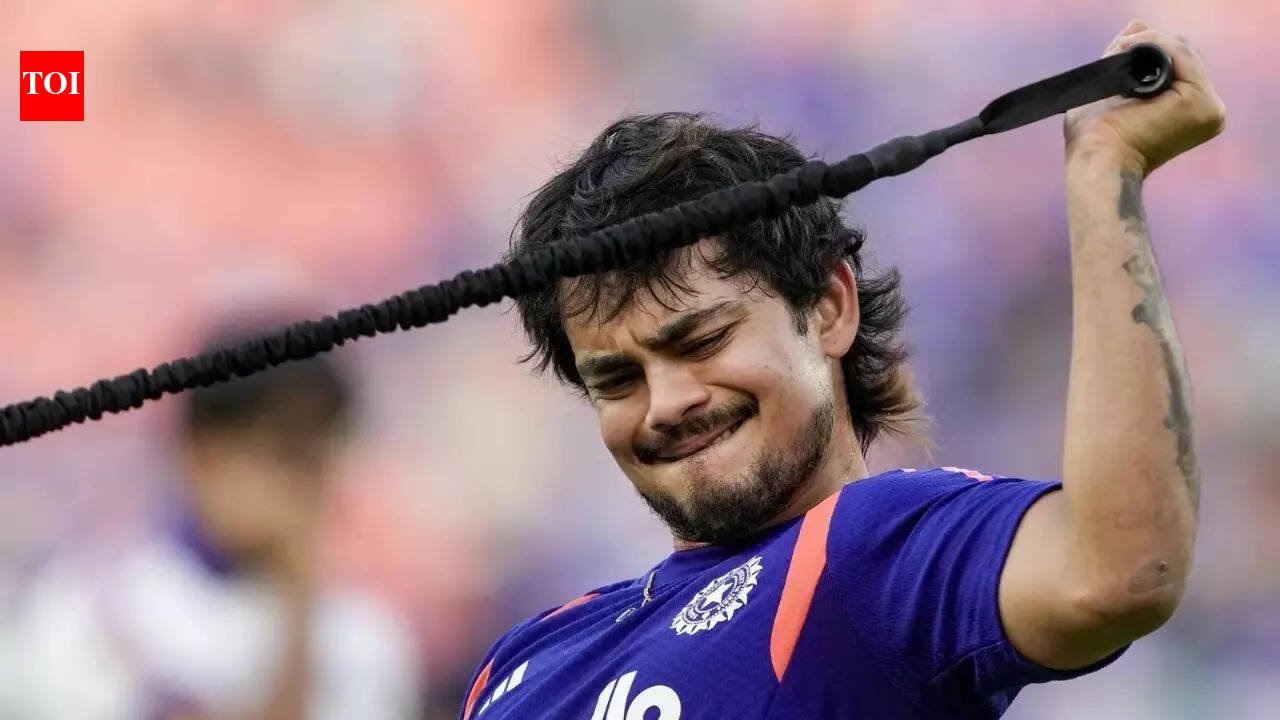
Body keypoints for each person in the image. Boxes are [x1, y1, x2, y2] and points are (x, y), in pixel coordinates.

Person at [459, 21, 1224, 719]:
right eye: (617, 380)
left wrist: (1104, 169)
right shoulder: (521, 663)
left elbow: (1120, 569)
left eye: (702, 342)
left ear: (828, 308)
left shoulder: (871, 552)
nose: (666, 402)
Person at [0, 322, 422, 720]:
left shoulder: (367, 638)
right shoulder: (88, 607)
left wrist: (301, 604)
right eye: (285, 452)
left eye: (321, 454)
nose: (306, 484)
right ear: (202, 454)